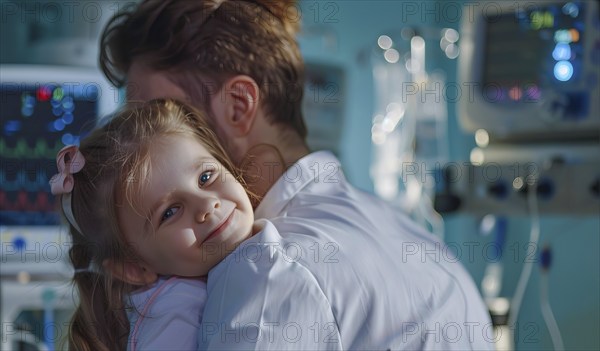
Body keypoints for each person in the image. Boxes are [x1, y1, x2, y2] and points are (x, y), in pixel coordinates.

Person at [100, 0, 495, 349]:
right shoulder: (418, 242)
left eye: (163, 117)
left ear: (238, 106)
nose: (143, 144)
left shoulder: (266, 273)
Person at [51, 99, 272, 350]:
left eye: (206, 177)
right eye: (170, 212)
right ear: (133, 268)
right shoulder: (176, 311)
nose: (207, 205)